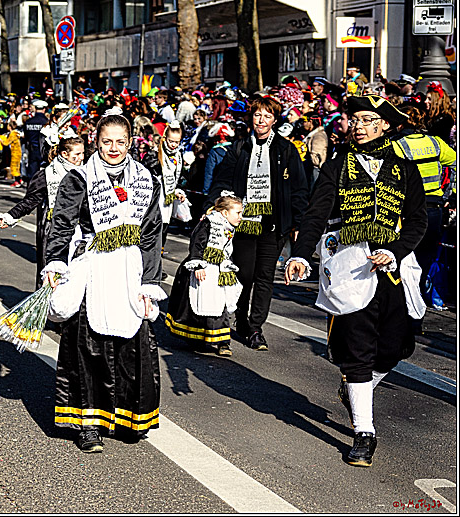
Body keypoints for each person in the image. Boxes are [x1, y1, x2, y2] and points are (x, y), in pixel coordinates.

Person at [285, 95, 426, 468]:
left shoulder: (404, 169)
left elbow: (417, 221)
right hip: (350, 268)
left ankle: (355, 389)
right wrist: (300, 254)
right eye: (354, 119)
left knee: (397, 346)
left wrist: (395, 250)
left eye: (367, 119)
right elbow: (316, 213)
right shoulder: (336, 165)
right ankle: (365, 431)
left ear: (384, 125)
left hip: (392, 269)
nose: (359, 126)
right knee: (358, 350)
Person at [41, 112, 164, 453]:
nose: (113, 148)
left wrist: (150, 281)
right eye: (106, 141)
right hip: (91, 266)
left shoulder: (145, 179)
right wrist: (54, 262)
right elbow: (62, 224)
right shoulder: (79, 178)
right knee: (88, 348)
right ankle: (87, 424)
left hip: (129, 268)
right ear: (96, 140)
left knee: (131, 348)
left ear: (131, 143)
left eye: (120, 142)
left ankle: (126, 418)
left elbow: (152, 234)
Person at [209, 95, 308, 351]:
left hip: (272, 223)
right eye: (257, 115)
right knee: (244, 274)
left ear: (275, 120)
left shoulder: (286, 149)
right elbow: (223, 180)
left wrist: (297, 223)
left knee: (265, 276)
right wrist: (217, 204)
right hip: (243, 223)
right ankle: (239, 318)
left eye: (267, 116)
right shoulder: (240, 147)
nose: (261, 120)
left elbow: (298, 188)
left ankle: (255, 328)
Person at [393, 106, 456, 309]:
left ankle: (405, 309)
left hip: (406, 210)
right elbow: (455, 162)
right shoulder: (435, 142)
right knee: (424, 260)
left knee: (402, 259)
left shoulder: (396, 145)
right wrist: (449, 193)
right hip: (434, 207)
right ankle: (417, 306)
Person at [165, 195, 243, 357]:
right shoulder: (208, 222)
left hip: (220, 269)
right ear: (224, 213)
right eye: (238, 213)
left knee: (220, 304)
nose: (240, 217)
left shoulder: (229, 226)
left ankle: (223, 342)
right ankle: (198, 337)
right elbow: (197, 242)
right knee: (199, 302)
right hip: (205, 268)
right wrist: (198, 264)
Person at [0, 133, 85, 276]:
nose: (82, 157)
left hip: (80, 228)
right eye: (78, 154)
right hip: (55, 228)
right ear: (64, 154)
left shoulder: (85, 172)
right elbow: (31, 200)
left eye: (82, 153)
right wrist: (10, 216)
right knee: (54, 272)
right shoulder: (48, 174)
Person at [22, 99, 50, 178]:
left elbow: (26, 136)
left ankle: (31, 188)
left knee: (32, 172)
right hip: (44, 150)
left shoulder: (29, 122)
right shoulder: (46, 122)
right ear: (44, 109)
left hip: (32, 150)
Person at [0, 119, 23, 186]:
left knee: (14, 167)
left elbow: (6, 143)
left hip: (15, 152)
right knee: (16, 166)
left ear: (10, 126)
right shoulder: (15, 133)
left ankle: (17, 181)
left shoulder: (13, 134)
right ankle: (19, 180)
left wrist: (0, 140)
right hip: (17, 152)